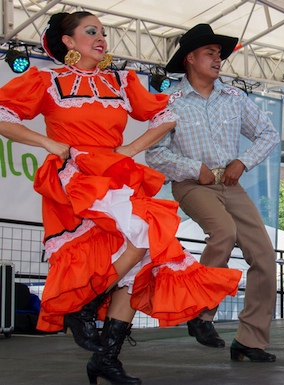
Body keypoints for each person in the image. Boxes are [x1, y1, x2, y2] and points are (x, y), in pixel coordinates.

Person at [0, 12, 242, 384]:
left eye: (103, 32)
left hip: (115, 174)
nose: (101, 38)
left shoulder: (120, 80)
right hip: (78, 177)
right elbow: (3, 115)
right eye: (91, 31)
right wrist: (48, 142)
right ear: (68, 42)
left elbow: (166, 114)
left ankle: (106, 356)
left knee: (142, 255)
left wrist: (130, 148)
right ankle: (80, 304)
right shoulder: (47, 80)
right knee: (146, 234)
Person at [145, 23, 280, 362]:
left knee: (264, 253)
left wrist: (243, 162)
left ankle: (250, 340)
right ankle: (201, 313)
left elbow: (268, 134)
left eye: (219, 54)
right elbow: (154, 152)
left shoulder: (234, 98)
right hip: (192, 185)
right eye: (210, 53)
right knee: (224, 232)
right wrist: (195, 169)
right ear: (190, 58)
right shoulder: (169, 102)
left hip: (231, 184)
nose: (218, 59)